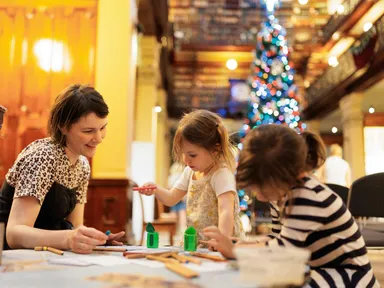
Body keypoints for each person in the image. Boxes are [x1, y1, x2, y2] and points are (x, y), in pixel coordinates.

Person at [204, 124, 378, 287]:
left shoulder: (307, 197)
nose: (257, 193)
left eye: (260, 185)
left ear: (283, 175)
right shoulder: (284, 194)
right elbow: (278, 238)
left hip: (350, 276)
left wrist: (236, 250)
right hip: (322, 269)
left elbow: (283, 251)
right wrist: (241, 244)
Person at [0, 84, 124, 253]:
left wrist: (95, 240)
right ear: (63, 127)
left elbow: (75, 226)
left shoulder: (82, 165)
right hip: (9, 257)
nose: (99, 138)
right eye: (88, 131)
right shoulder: (43, 157)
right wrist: (69, 238)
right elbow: (14, 235)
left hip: (42, 255)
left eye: (102, 128)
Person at [138, 109, 242, 242]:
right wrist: (156, 189)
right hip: (196, 240)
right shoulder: (190, 171)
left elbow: (225, 211)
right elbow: (171, 198)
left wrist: (222, 240)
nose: (186, 160)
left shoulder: (221, 174)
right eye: (183, 153)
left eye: (192, 155)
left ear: (215, 150)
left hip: (218, 242)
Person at [167, 162, 187, 234]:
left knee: (173, 212)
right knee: (182, 213)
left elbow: (169, 187)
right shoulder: (182, 176)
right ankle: (182, 229)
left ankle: (173, 230)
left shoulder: (171, 177)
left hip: (173, 197)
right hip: (181, 198)